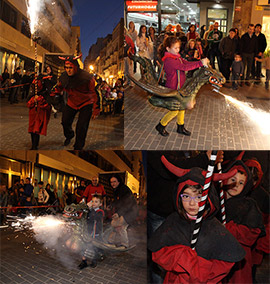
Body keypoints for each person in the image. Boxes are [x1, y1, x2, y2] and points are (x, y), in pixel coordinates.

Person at [148, 156, 246, 284]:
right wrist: (182, 257)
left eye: (199, 197)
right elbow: (157, 253)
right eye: (186, 196)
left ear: (208, 198)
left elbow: (226, 261)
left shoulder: (214, 227)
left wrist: (200, 270)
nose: (192, 203)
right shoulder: (173, 221)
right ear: (178, 196)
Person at [221, 159, 265, 283]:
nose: (236, 185)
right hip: (218, 255)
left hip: (239, 259)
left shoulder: (248, 205)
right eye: (233, 180)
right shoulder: (216, 200)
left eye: (241, 183)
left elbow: (252, 233)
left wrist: (228, 228)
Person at [155, 36, 204, 137]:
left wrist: (200, 63)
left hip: (180, 87)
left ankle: (180, 127)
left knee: (182, 107)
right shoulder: (169, 60)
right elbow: (184, 67)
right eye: (175, 48)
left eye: (178, 47)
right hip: (173, 89)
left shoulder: (177, 56)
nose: (178, 50)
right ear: (168, 49)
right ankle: (161, 125)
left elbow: (186, 62)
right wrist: (200, 63)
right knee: (175, 110)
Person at [52, 55, 100, 150]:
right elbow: (58, 88)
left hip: (86, 103)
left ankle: (78, 146)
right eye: (66, 68)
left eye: (70, 68)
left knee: (81, 126)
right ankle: (69, 135)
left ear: (75, 67)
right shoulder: (63, 77)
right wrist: (52, 94)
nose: (68, 70)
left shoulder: (87, 78)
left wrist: (96, 110)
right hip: (72, 102)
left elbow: (95, 94)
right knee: (65, 121)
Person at [244, 158, 270, 282]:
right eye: (250, 179)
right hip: (244, 239)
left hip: (257, 240)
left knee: (252, 267)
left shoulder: (264, 196)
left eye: (255, 179)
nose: (252, 183)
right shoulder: (239, 192)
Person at [108, 174, 137, 248]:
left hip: (130, 212)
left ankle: (125, 244)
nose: (113, 184)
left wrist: (118, 213)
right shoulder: (117, 190)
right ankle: (111, 241)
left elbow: (127, 203)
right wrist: (111, 205)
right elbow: (118, 202)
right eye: (111, 182)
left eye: (114, 181)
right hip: (123, 212)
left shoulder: (124, 189)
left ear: (119, 182)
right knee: (114, 224)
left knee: (121, 227)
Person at [78, 195, 105, 269]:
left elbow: (95, 217)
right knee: (84, 247)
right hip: (88, 233)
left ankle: (94, 260)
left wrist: (89, 209)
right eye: (92, 201)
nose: (94, 203)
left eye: (96, 202)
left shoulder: (100, 212)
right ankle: (84, 261)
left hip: (96, 234)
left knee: (94, 248)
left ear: (100, 204)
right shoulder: (90, 211)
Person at [27, 72, 52, 150]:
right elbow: (28, 104)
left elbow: (47, 105)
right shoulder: (32, 94)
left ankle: (35, 145)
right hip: (33, 114)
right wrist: (33, 100)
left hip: (39, 115)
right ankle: (34, 145)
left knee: (36, 130)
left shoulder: (45, 94)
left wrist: (39, 100)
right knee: (32, 130)